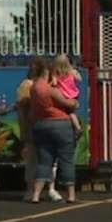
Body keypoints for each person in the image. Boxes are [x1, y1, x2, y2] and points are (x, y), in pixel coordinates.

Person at [27, 60, 80, 204]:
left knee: (44, 162)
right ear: (47, 72)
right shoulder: (49, 89)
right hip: (60, 124)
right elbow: (67, 103)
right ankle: (71, 195)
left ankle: (36, 195)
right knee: (66, 159)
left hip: (40, 125)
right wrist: (74, 102)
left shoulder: (33, 88)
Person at [14, 57, 58, 201]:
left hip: (41, 125)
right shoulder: (28, 85)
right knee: (36, 159)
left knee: (44, 159)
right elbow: (22, 109)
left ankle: (45, 189)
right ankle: (35, 189)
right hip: (35, 126)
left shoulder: (43, 86)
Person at [52, 53, 83, 138]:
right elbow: (79, 79)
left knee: (70, 113)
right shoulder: (71, 72)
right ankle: (75, 127)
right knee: (71, 112)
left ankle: (78, 128)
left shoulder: (56, 74)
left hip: (65, 96)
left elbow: (54, 83)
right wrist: (75, 73)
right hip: (74, 94)